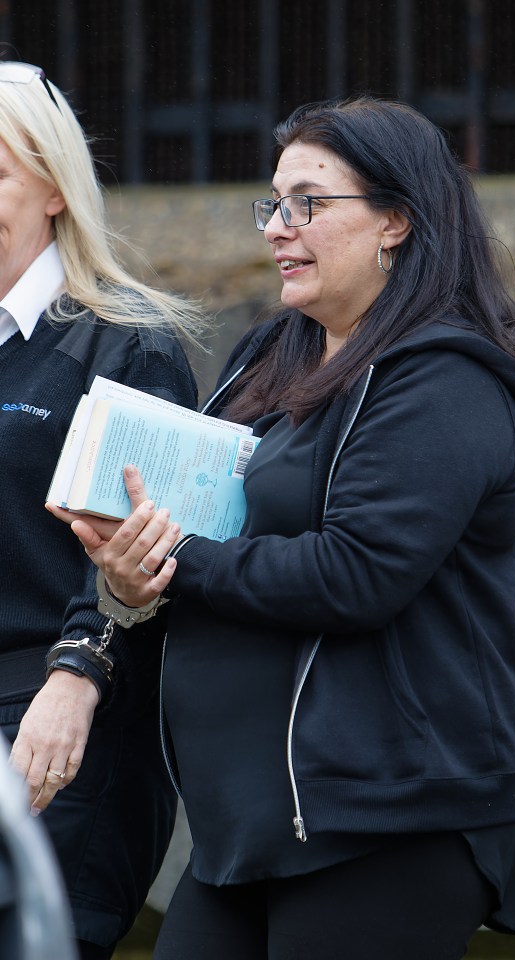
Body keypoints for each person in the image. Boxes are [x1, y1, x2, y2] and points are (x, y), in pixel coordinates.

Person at [48, 95, 515, 960]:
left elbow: (356, 575)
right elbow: (209, 533)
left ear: (396, 220)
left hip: (386, 822)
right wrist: (128, 572)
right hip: (249, 825)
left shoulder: (446, 381)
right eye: (274, 203)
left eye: (310, 204)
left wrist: (175, 559)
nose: (279, 227)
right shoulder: (273, 352)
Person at [0, 61, 203, 959]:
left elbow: (151, 555)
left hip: (54, 726)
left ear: (51, 182)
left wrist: (74, 678)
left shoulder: (125, 345)